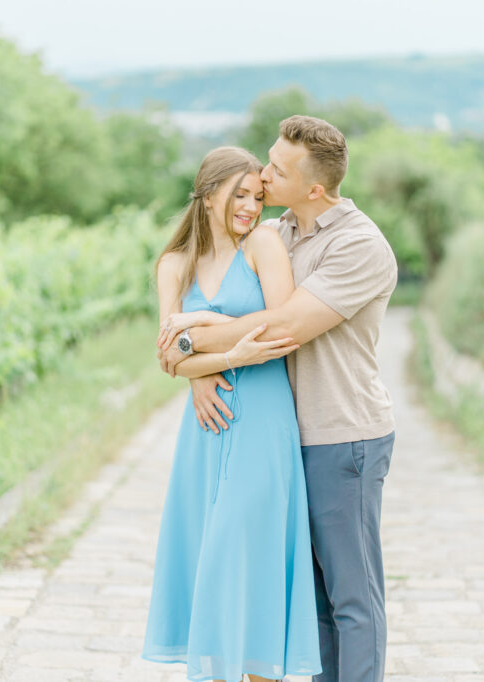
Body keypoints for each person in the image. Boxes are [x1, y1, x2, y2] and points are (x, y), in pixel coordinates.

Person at [159, 116, 398, 682]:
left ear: (314, 188)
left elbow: (280, 329)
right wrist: (194, 369)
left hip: (344, 435)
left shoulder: (358, 244)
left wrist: (188, 336)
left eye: (276, 170)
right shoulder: (282, 231)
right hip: (288, 433)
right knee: (308, 604)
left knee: (352, 599)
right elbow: (226, 294)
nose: (263, 177)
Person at [142, 146, 323, 682]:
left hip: (263, 426)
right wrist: (214, 365)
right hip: (205, 430)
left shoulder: (264, 245)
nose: (250, 207)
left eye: (256, 196)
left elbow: (283, 324)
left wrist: (197, 326)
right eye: (238, 194)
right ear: (208, 191)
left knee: (245, 560)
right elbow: (169, 355)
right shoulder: (173, 265)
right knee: (211, 567)